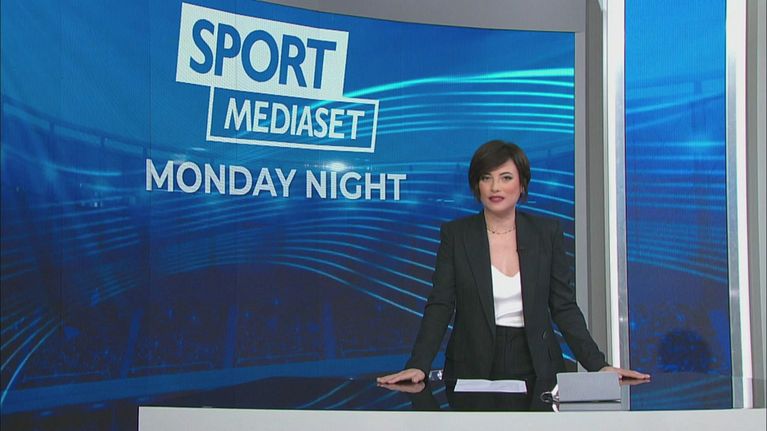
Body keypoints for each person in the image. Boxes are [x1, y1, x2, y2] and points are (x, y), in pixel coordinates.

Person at [378, 140, 650, 385]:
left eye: (505, 177)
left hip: (538, 363)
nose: (495, 187)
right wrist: (419, 364)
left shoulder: (546, 233)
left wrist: (598, 365)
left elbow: (563, 306)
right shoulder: (457, 235)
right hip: (471, 364)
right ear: (477, 185)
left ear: (521, 185)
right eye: (486, 178)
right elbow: (440, 304)